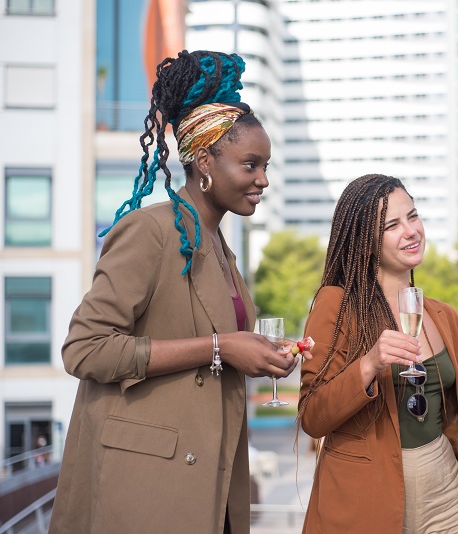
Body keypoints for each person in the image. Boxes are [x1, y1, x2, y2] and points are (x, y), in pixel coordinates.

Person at [49, 50, 302, 533]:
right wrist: (219, 347)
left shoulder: (220, 247)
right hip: (149, 489)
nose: (263, 180)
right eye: (251, 165)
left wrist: (259, 355)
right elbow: (85, 349)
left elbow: (214, 355)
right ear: (204, 161)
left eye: (266, 165)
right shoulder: (151, 231)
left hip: (214, 483)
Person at [298, 174, 458, 533]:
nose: (411, 231)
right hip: (368, 501)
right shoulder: (336, 307)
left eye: (413, 216)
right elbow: (312, 416)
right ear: (366, 241)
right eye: (392, 225)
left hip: (447, 494)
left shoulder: (445, 316)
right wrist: (368, 365)